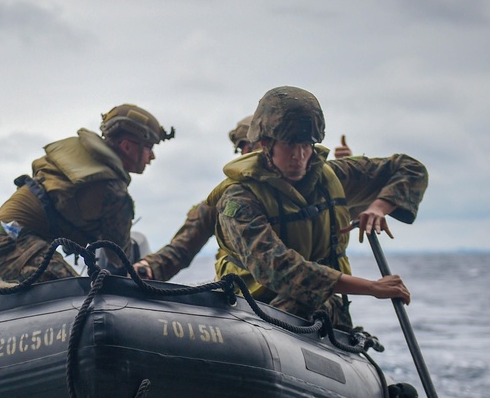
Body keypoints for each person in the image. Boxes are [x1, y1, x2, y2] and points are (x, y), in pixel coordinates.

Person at [211, 85, 428, 328]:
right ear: (265, 144)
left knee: (309, 309)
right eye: (289, 145)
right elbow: (277, 268)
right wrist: (372, 287)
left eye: (306, 144)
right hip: (249, 309)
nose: (299, 155)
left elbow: (410, 168)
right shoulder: (239, 198)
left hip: (321, 308)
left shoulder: (331, 177)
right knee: (294, 308)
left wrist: (378, 207)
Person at [133, 116, 355, 282]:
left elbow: (345, 218)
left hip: (313, 302)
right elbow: (183, 247)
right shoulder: (228, 200)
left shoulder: (318, 191)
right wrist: (150, 267)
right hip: (247, 304)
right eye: (246, 147)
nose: (252, 152)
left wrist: (345, 174)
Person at [0, 104, 174, 282]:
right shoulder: (113, 190)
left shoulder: (85, 161)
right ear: (127, 146)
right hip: (15, 245)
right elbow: (118, 257)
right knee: (80, 297)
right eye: (149, 147)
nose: (152, 156)